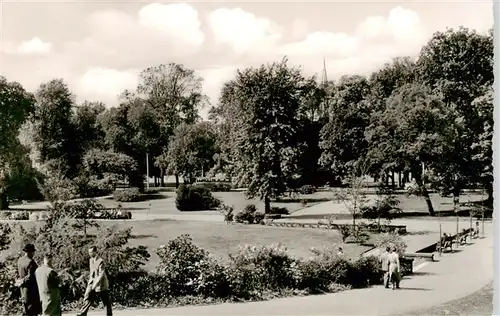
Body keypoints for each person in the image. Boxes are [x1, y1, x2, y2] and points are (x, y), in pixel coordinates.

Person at [77, 246, 112, 316]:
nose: (90, 253)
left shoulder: (100, 261)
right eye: (89, 252)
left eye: (91, 252)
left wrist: (95, 284)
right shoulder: (90, 260)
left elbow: (101, 274)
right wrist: (90, 283)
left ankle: (109, 314)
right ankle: (83, 313)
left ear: (95, 252)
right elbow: (92, 272)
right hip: (92, 282)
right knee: (87, 297)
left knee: (105, 301)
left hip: (101, 284)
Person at [17, 243, 42, 316]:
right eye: (33, 252)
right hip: (31, 289)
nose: (33, 254)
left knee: (25, 307)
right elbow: (30, 277)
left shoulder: (20, 260)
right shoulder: (31, 262)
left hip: (23, 288)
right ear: (30, 252)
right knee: (32, 309)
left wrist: (20, 281)